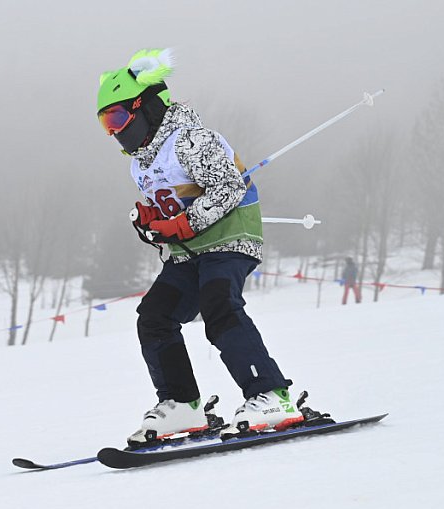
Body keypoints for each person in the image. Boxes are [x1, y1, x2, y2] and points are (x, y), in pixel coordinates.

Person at [96, 49, 303, 444]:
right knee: (154, 317)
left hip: (229, 239)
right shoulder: (139, 162)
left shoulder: (192, 140)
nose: (114, 131)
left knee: (218, 304)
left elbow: (229, 188)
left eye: (118, 117)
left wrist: (184, 222)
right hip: (188, 252)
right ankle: (181, 405)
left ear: (147, 108)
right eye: (105, 123)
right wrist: (150, 224)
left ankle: (271, 394)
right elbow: (166, 211)